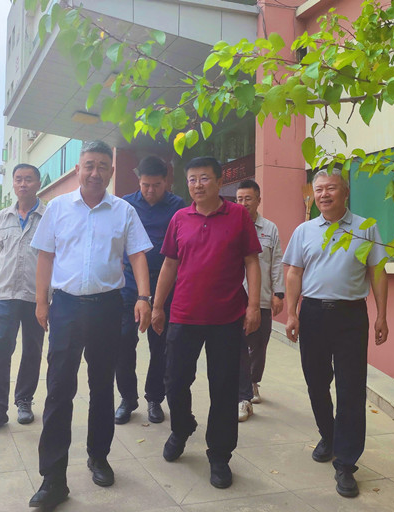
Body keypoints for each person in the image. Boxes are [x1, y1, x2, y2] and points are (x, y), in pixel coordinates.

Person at [28, 141, 153, 510]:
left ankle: (99, 457)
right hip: (66, 307)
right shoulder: (58, 208)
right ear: (78, 170)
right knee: (58, 389)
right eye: (89, 165)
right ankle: (53, 478)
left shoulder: (124, 211)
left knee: (101, 387)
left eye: (102, 166)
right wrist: (41, 302)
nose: (95, 172)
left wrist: (144, 297)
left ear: (111, 171)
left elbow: (137, 256)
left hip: (106, 307)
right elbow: (46, 256)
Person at [151, 156, 262, 489]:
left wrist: (253, 306)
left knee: (224, 390)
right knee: (174, 381)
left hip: (227, 318)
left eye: (204, 178)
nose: (197, 185)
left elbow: (252, 262)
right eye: (192, 179)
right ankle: (181, 428)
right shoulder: (180, 218)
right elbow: (169, 265)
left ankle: (220, 455)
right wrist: (157, 306)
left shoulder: (238, 216)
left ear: (219, 181)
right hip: (184, 315)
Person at [283, 168, 389, 498]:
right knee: (316, 382)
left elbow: (378, 272)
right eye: (319, 189)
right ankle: (328, 436)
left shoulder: (366, 227)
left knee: (350, 388)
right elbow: (293, 273)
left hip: (351, 316)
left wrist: (382, 315)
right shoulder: (303, 230)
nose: (324, 194)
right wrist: (291, 313)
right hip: (313, 314)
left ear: (345, 192)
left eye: (331, 188)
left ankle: (346, 463)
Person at [114, 155, 185, 425]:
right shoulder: (126, 205)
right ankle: (127, 398)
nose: (150, 190)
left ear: (166, 181)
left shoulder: (177, 206)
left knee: (161, 344)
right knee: (123, 341)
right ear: (139, 181)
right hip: (129, 284)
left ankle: (155, 398)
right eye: (145, 185)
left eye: (156, 185)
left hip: (164, 285)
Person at [0, 164, 46, 430]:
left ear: (38, 183)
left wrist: (46, 297)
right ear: (13, 184)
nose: (23, 184)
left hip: (36, 295)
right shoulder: (2, 217)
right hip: (6, 293)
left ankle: (24, 400)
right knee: (0, 348)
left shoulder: (48, 216)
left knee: (32, 348)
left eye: (29, 179)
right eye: (18, 179)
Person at [235, 180, 285, 420]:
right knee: (238, 346)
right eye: (239, 199)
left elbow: (276, 262)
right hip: (236, 299)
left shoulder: (269, 229)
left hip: (263, 298)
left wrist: (279, 293)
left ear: (258, 200)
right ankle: (243, 393)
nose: (243, 203)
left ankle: (253, 381)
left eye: (248, 199)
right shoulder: (232, 224)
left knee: (259, 344)